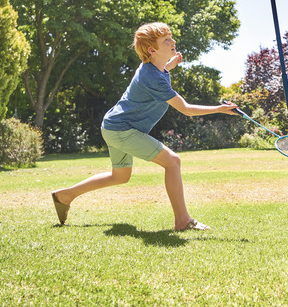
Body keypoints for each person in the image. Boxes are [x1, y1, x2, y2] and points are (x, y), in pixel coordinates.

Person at [51, 22, 238, 231]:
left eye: (171, 37)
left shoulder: (151, 68)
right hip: (122, 130)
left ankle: (65, 196)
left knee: (120, 176)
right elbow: (185, 109)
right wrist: (219, 109)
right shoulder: (154, 78)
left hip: (113, 126)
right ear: (152, 50)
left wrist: (170, 64)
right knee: (173, 162)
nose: (173, 41)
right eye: (166, 40)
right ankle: (183, 221)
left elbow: (160, 71)